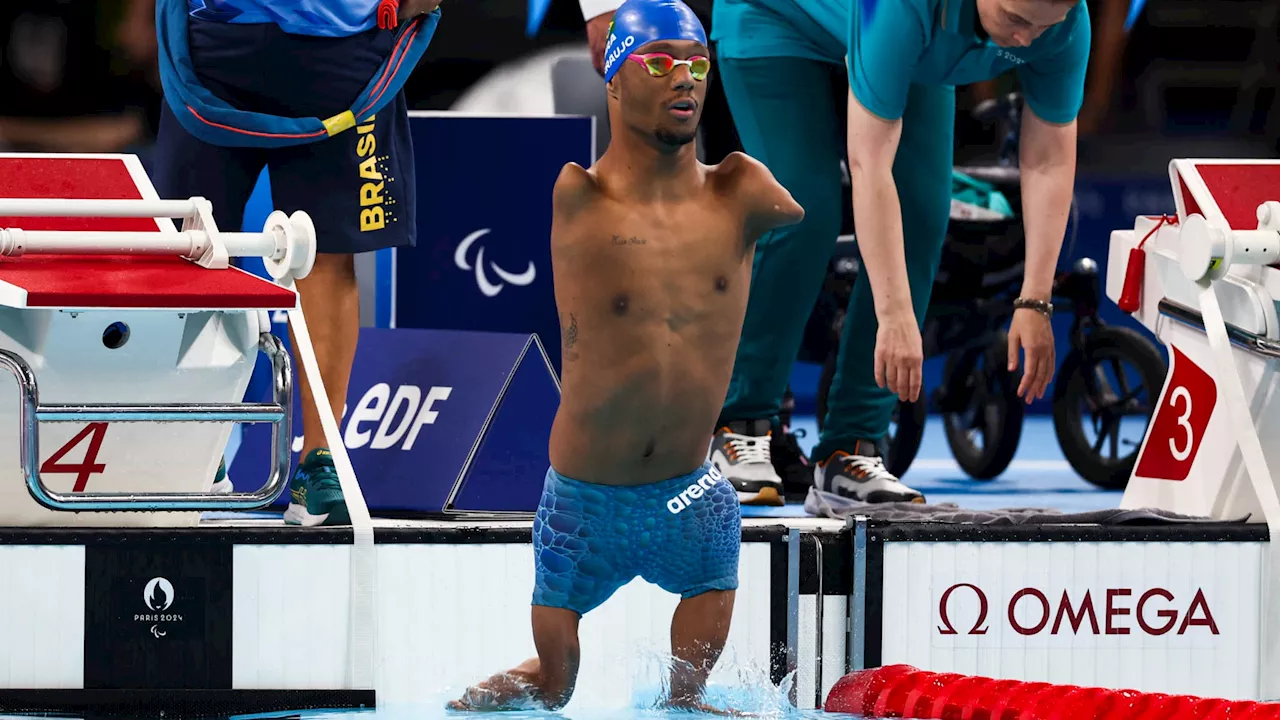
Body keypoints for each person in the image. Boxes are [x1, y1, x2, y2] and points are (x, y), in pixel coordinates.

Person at [447, 0, 803, 711]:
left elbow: (804, 206)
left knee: (688, 695)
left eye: (699, 66)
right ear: (613, 77)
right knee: (555, 687)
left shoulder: (743, 192)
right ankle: (504, 686)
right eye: (662, 63)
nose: (686, 81)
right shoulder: (580, 195)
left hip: (690, 494)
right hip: (582, 504)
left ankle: (684, 699)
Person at [704, 0, 1090, 505]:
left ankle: (851, 446)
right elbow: (870, 165)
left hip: (914, 47)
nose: (1025, 41)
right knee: (804, 207)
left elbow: (1048, 158)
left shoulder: (1060, 23)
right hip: (776, 17)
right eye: (1015, 21)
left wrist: (1035, 298)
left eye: (1044, 27)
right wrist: (894, 313)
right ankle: (740, 423)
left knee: (923, 217)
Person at [146, 0, 442, 523]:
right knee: (187, 247)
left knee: (326, 256)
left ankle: (321, 461)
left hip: (344, 42)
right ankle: (189, 447)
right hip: (214, 37)